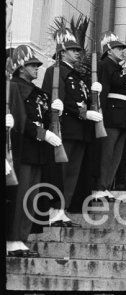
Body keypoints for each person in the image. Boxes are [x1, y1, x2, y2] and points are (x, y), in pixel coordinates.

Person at [6, 45, 63, 257]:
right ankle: (12, 239)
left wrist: (57, 112)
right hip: (23, 148)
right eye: (32, 65)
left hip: (38, 151)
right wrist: (43, 134)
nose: (37, 68)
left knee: (32, 197)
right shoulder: (13, 87)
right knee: (20, 196)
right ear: (21, 67)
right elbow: (22, 122)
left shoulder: (38, 92)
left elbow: (46, 117)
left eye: (37, 65)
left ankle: (22, 237)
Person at [42, 28, 101, 227]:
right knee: (62, 171)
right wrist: (83, 113)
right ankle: (54, 209)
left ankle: (62, 209)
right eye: (73, 49)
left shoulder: (74, 75)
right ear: (62, 52)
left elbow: (80, 99)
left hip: (79, 130)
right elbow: (60, 100)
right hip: (66, 127)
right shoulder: (56, 70)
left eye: (78, 50)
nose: (78, 52)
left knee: (73, 172)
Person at [92, 31, 126, 201]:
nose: (123, 51)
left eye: (123, 49)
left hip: (121, 115)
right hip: (110, 114)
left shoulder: (116, 67)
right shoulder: (105, 65)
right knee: (107, 153)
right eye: (119, 48)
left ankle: (107, 186)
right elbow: (114, 83)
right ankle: (100, 186)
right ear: (109, 50)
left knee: (116, 155)